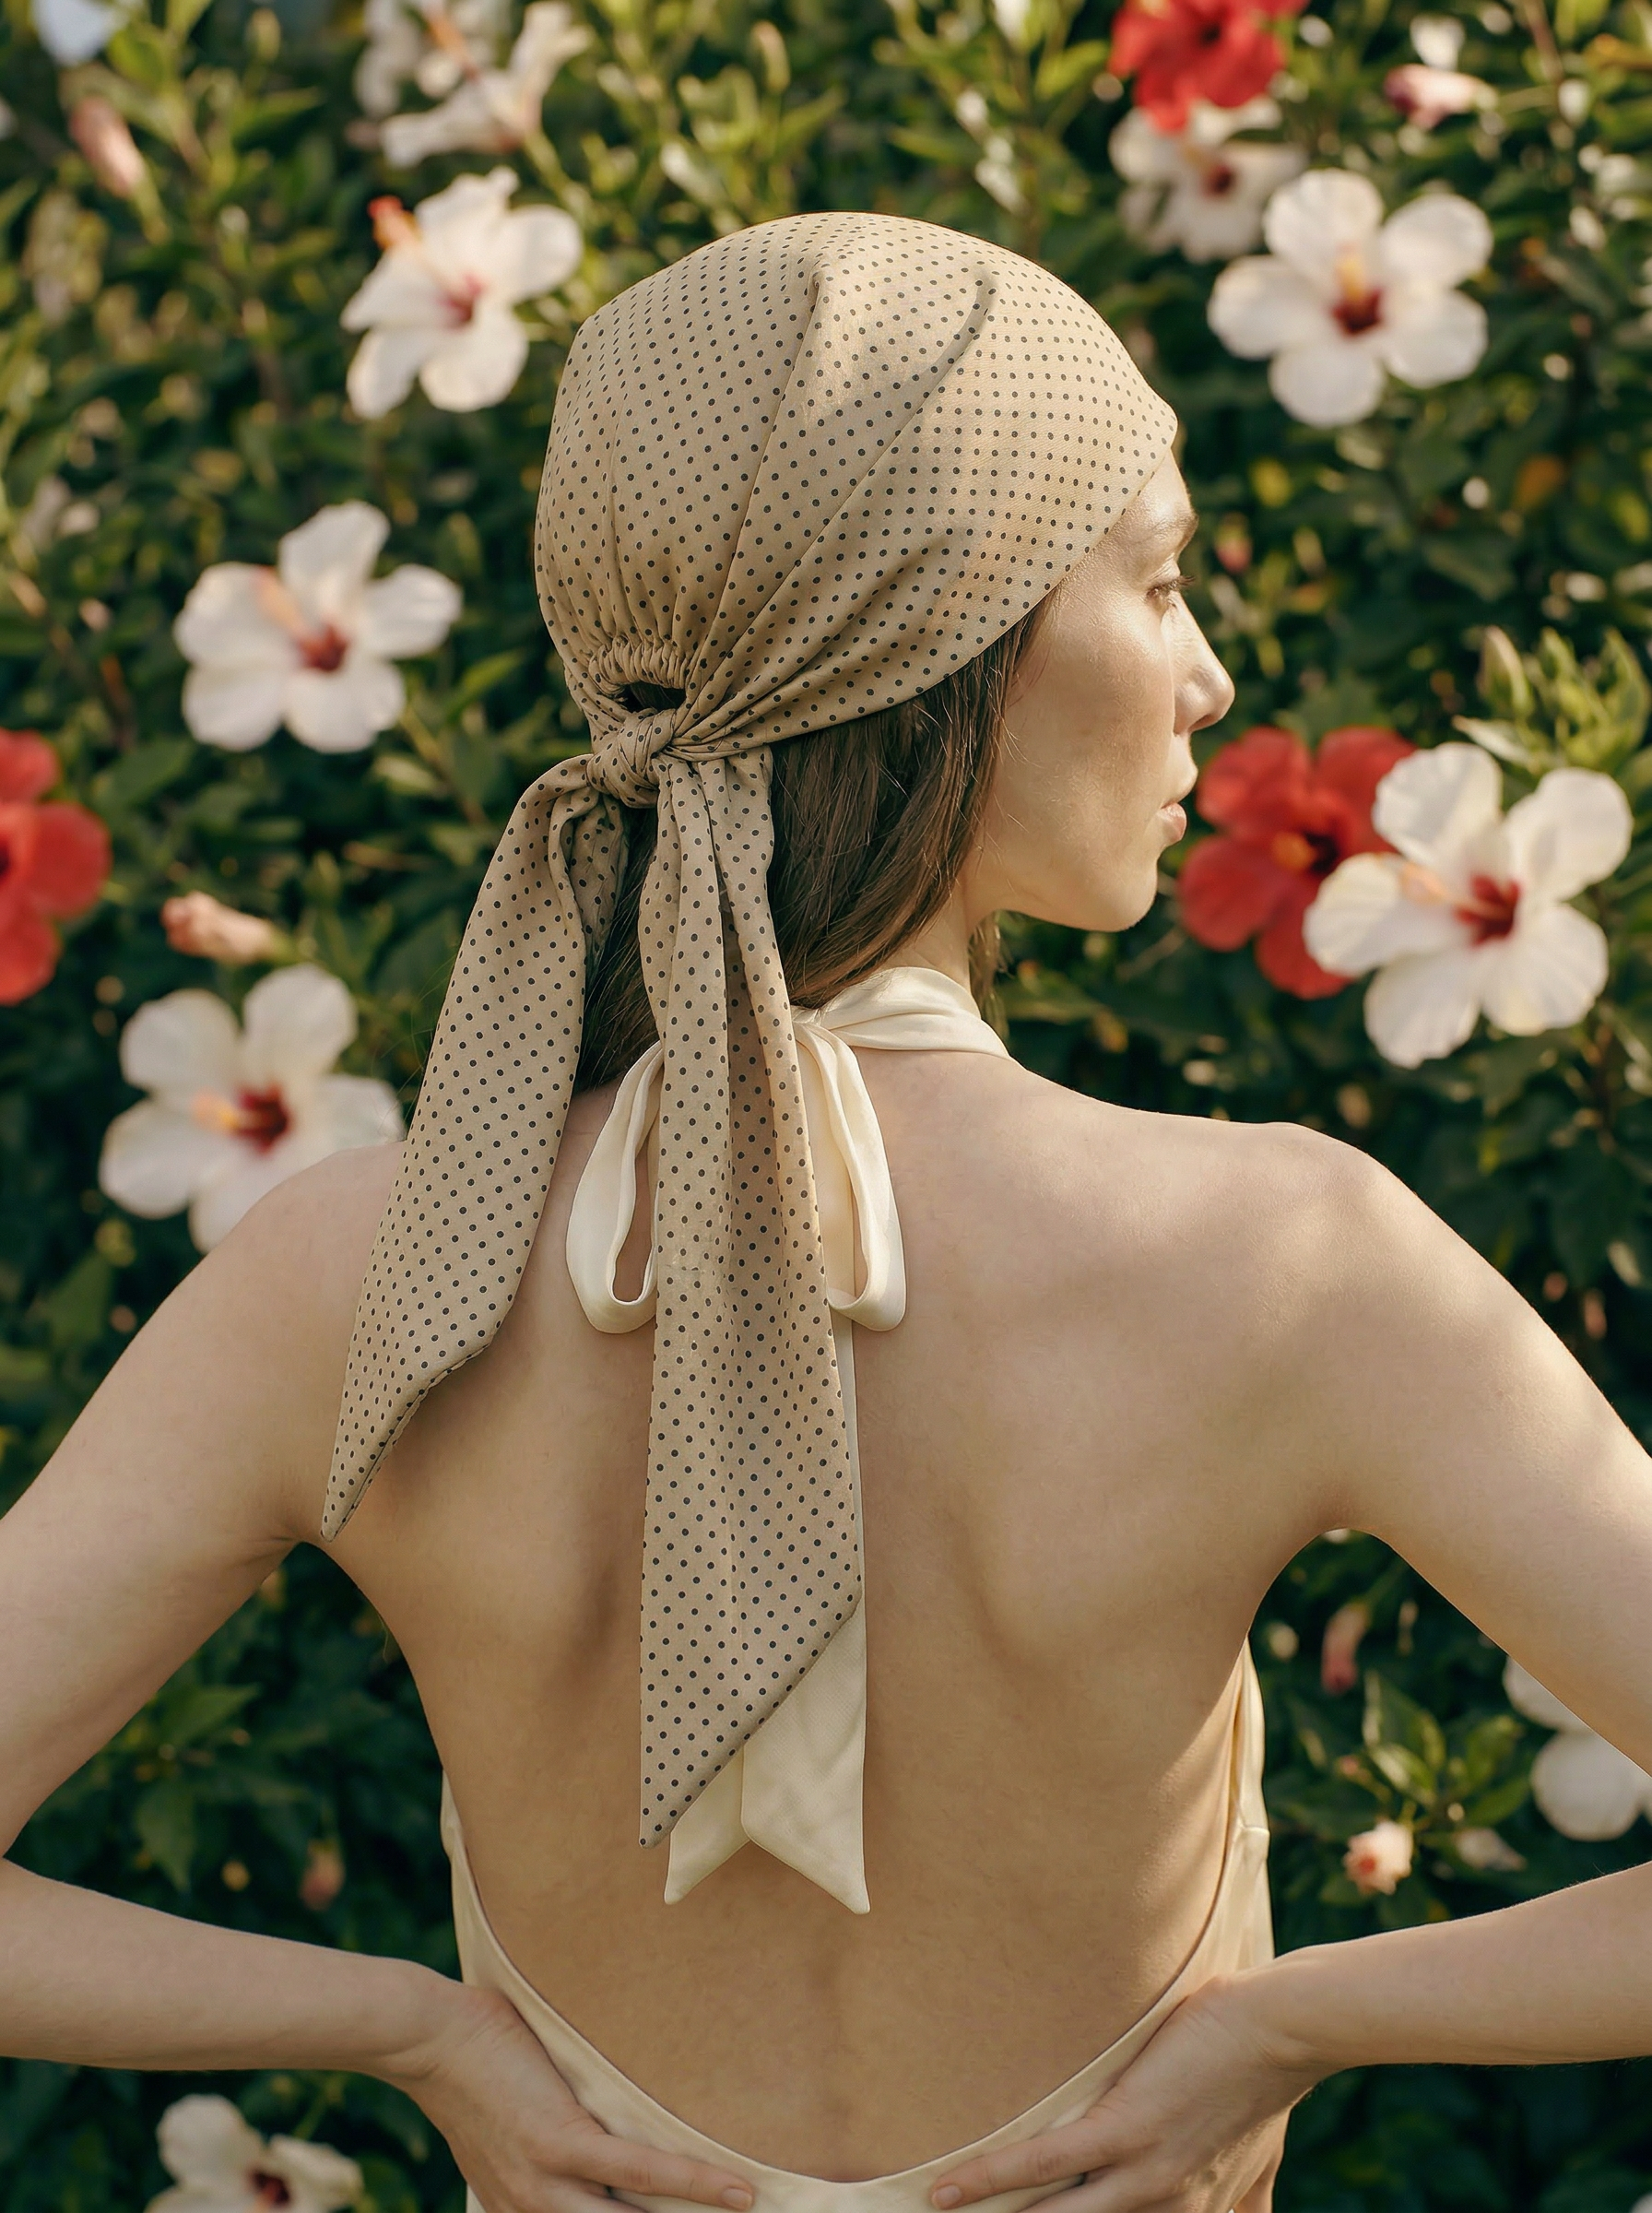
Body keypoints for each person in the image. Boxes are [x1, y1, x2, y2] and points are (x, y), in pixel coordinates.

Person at [3, 210, 1651, 2213]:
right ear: (943, 644)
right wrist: (1286, 2022)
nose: (1208, 673)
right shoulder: (1289, 1267)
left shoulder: (363, 1276)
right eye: (1154, 583)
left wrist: (412, 2030)